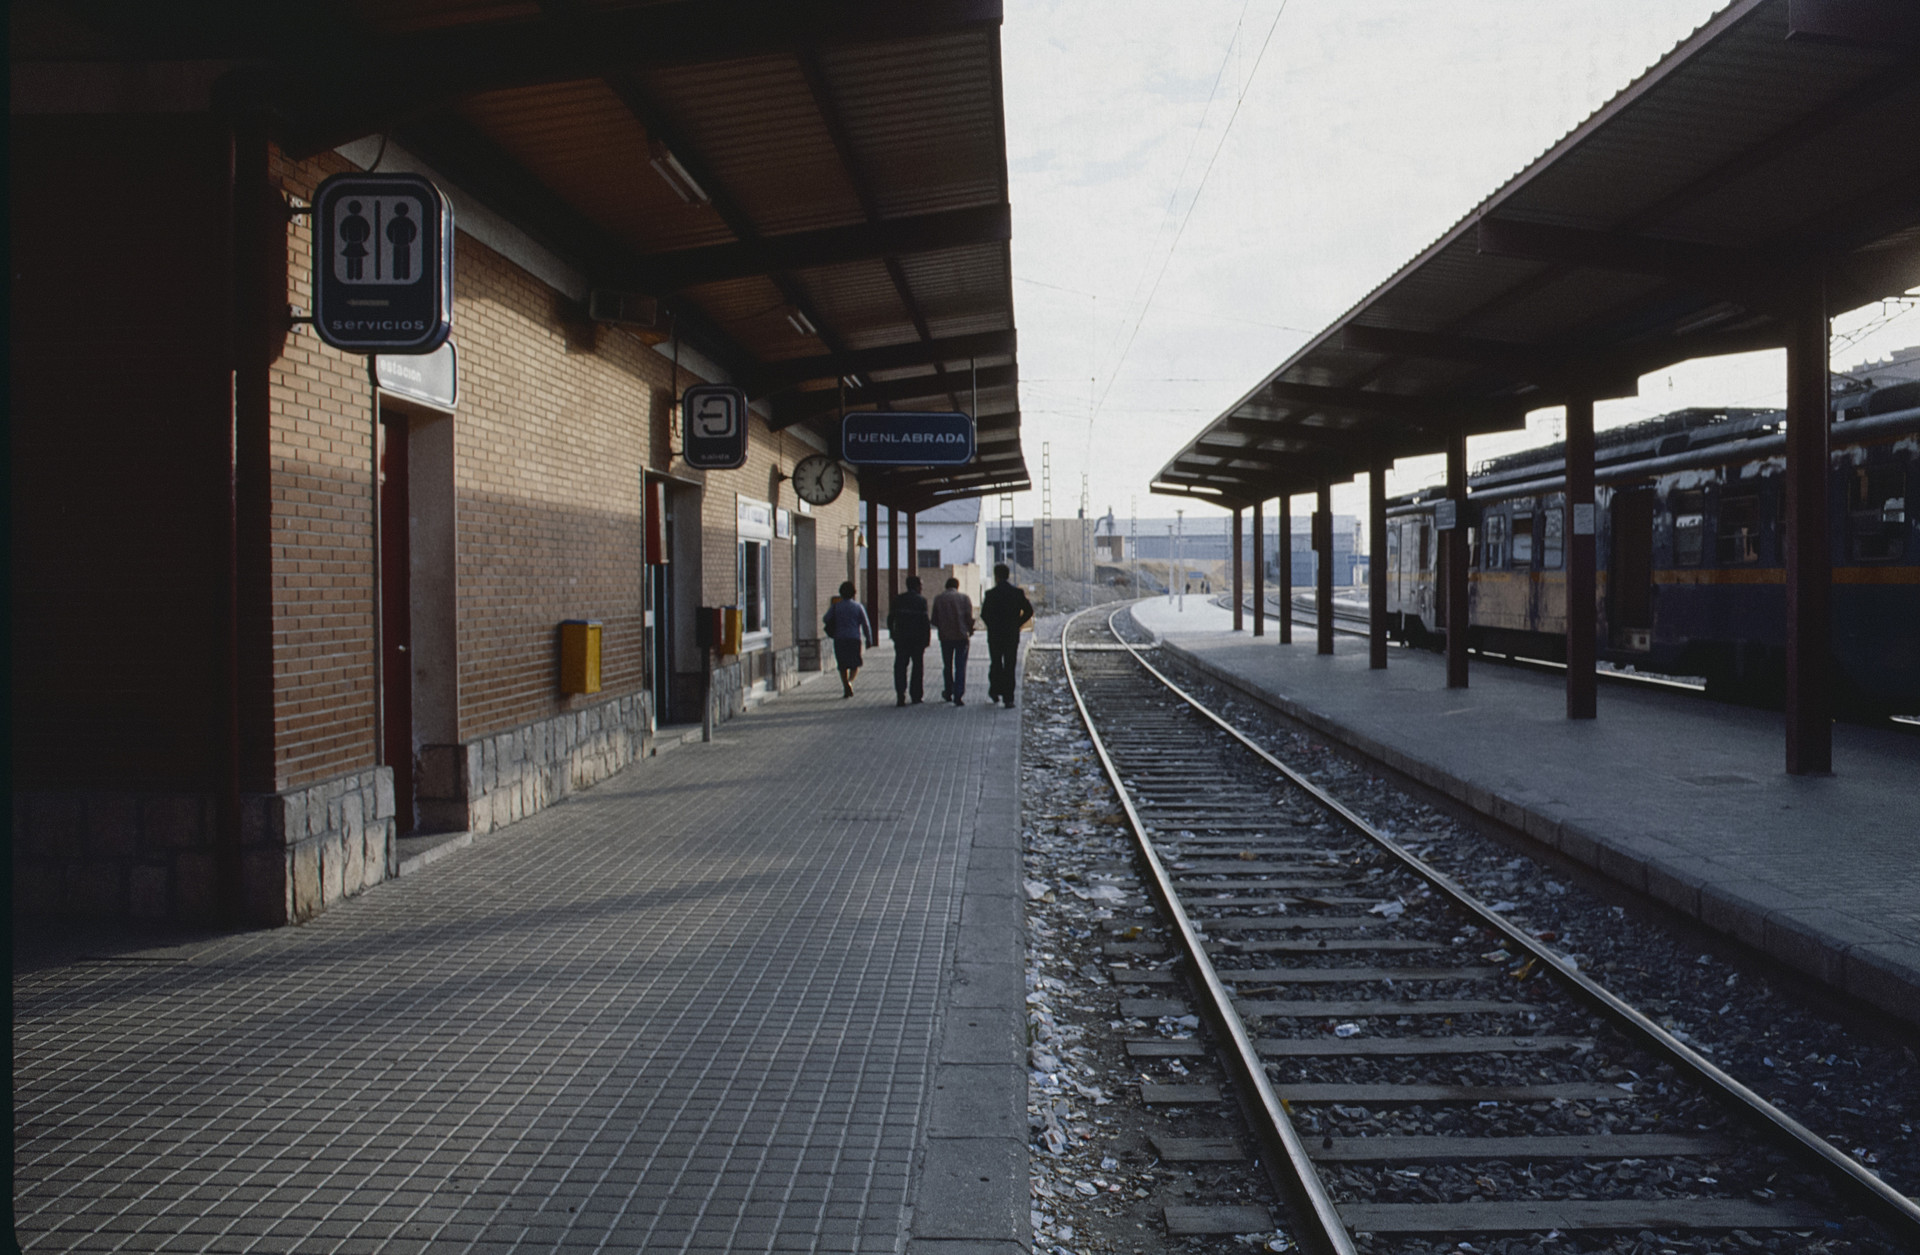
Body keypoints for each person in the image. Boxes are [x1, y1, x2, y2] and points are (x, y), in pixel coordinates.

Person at [979, 563, 1034, 708]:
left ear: (996, 576)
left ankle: (995, 692)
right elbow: (1029, 611)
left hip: (995, 636)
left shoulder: (990, 594)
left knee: (996, 663)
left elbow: (984, 614)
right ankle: (1009, 698)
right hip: (1011, 635)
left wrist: (992, 625)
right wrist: (1017, 623)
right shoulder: (1017, 593)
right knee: (1010, 665)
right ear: (1008, 576)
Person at [822, 580, 874, 698]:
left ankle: (845, 684)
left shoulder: (836, 607)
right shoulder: (858, 607)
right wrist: (869, 639)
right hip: (854, 638)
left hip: (840, 638)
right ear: (853, 593)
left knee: (842, 664)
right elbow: (866, 624)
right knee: (855, 664)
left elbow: (825, 619)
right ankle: (850, 681)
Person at [887, 575, 932, 706]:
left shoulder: (898, 599)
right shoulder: (921, 601)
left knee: (900, 666)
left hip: (901, 639)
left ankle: (900, 694)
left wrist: (893, 634)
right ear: (917, 586)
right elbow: (925, 622)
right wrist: (926, 639)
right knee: (917, 667)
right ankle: (916, 695)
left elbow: (891, 619)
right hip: (917, 640)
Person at [930, 576, 975, 706]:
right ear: (957, 586)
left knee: (947, 665)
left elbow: (934, 620)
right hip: (961, 637)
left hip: (945, 638)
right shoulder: (964, 598)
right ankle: (958, 694)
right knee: (960, 666)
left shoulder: (938, 599)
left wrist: (944, 626)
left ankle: (948, 691)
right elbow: (968, 617)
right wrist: (970, 630)